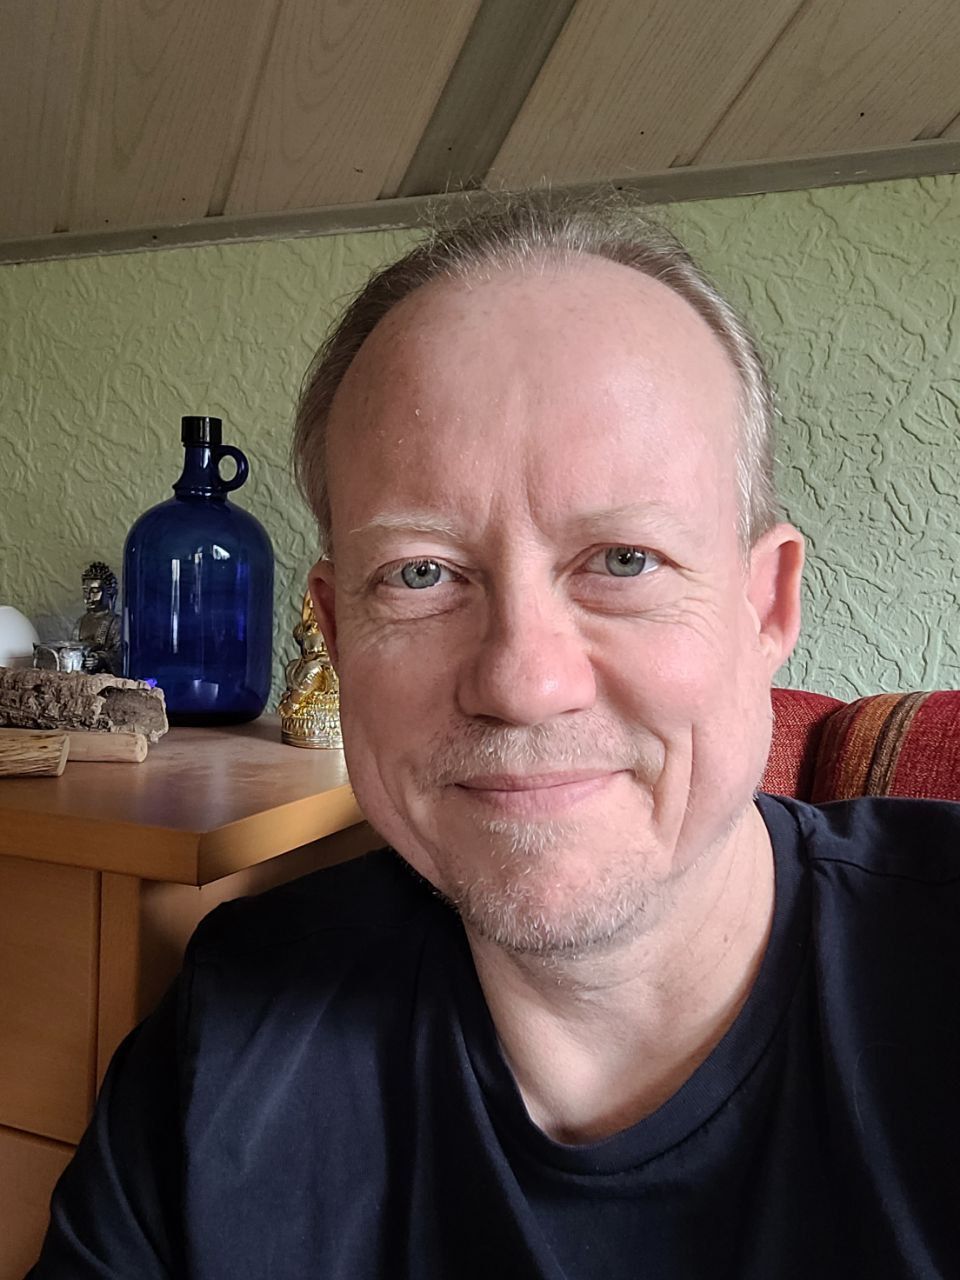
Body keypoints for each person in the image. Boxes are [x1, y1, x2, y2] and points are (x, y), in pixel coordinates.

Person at [30, 195, 960, 1279]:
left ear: (766, 606)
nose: (522, 681)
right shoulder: (231, 1029)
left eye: (623, 560)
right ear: (335, 635)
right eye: (421, 573)